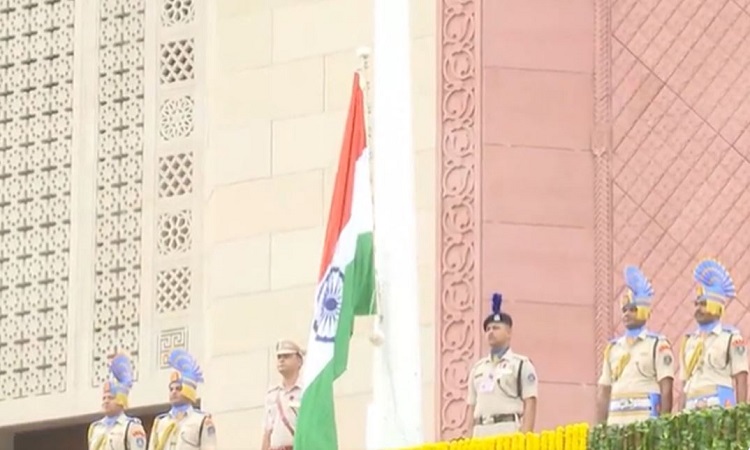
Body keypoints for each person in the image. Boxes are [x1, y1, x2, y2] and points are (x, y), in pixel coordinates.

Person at [596, 265, 675, 425]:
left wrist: (664, 424)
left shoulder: (657, 344)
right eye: (624, 310)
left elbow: (666, 387)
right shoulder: (613, 348)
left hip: (645, 422)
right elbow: (604, 390)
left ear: (645, 312)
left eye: (633, 309)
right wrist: (601, 426)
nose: (627, 314)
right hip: (617, 422)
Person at [680, 259, 748, 410]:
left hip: (719, 406)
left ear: (717, 306)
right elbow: (685, 383)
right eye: (696, 304)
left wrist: (741, 415)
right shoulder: (689, 341)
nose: (698, 308)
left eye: (703, 304)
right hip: (691, 407)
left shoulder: (731, 338)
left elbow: (741, 378)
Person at [467, 293, 538, 437]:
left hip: (507, 430)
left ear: (509, 332)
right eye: (488, 329)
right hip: (481, 432)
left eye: (496, 328)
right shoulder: (478, 368)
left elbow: (530, 401)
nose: (491, 332)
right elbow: (471, 406)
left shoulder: (520, 364)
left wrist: (526, 438)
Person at [148, 349, 216, 450]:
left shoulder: (201, 421)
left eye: (178, 388)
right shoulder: (160, 422)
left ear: (189, 391)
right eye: (171, 389)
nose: (174, 392)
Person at [88, 353, 147, 450]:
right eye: (104, 398)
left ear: (121, 400)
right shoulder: (95, 428)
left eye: (110, 398)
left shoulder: (131, 427)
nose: (106, 401)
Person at [262, 340, 305, 450]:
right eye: (279, 357)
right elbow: (267, 431)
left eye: (287, 356)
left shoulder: (306, 392)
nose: (281, 360)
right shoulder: (272, 394)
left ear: (299, 361)